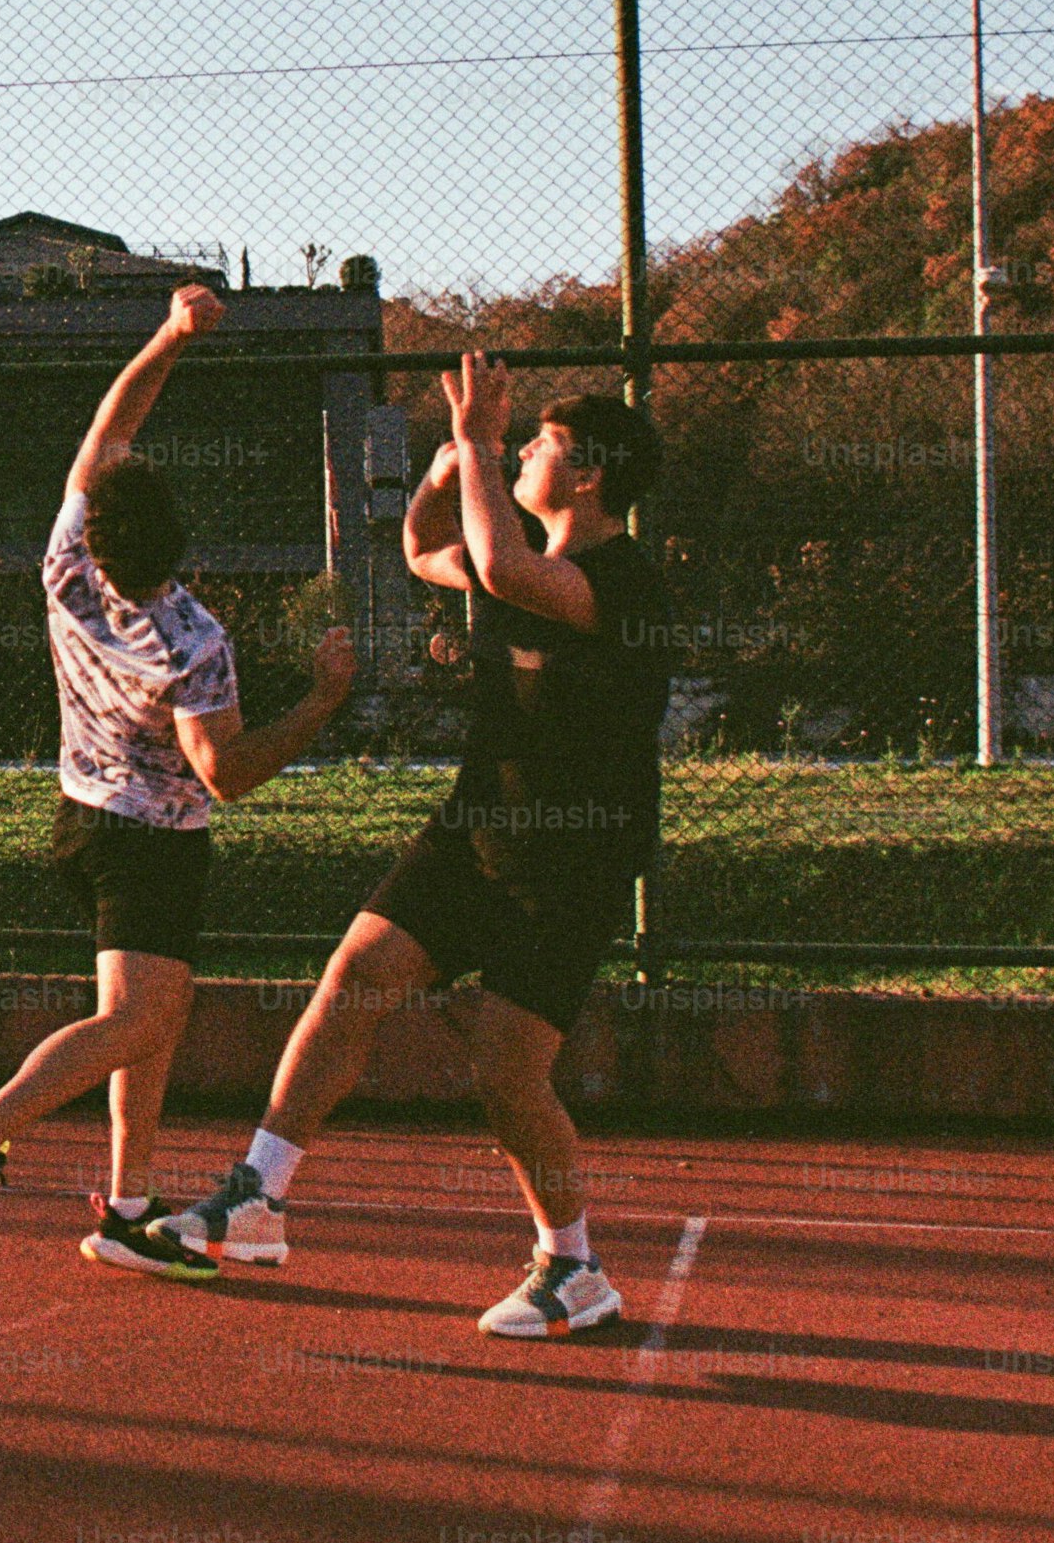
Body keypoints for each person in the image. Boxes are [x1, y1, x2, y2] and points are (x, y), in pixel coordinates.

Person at [163, 353, 673, 1339]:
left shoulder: (621, 581)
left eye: (542, 446)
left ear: (590, 474)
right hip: (478, 824)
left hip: (574, 857)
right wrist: (447, 476)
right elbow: (426, 549)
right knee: (355, 969)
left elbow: (498, 567)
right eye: (519, 444)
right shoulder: (513, 544)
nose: (523, 453)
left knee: (505, 1066)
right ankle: (256, 1195)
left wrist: (480, 439)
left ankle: (573, 1265)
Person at [0, 282, 358, 1281]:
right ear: (177, 541)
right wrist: (323, 701)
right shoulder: (195, 642)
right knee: (139, 1019)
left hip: (82, 817)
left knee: (147, 1016)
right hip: (152, 839)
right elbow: (224, 771)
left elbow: (112, 424)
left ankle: (125, 1203)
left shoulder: (66, 562)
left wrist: (168, 335)